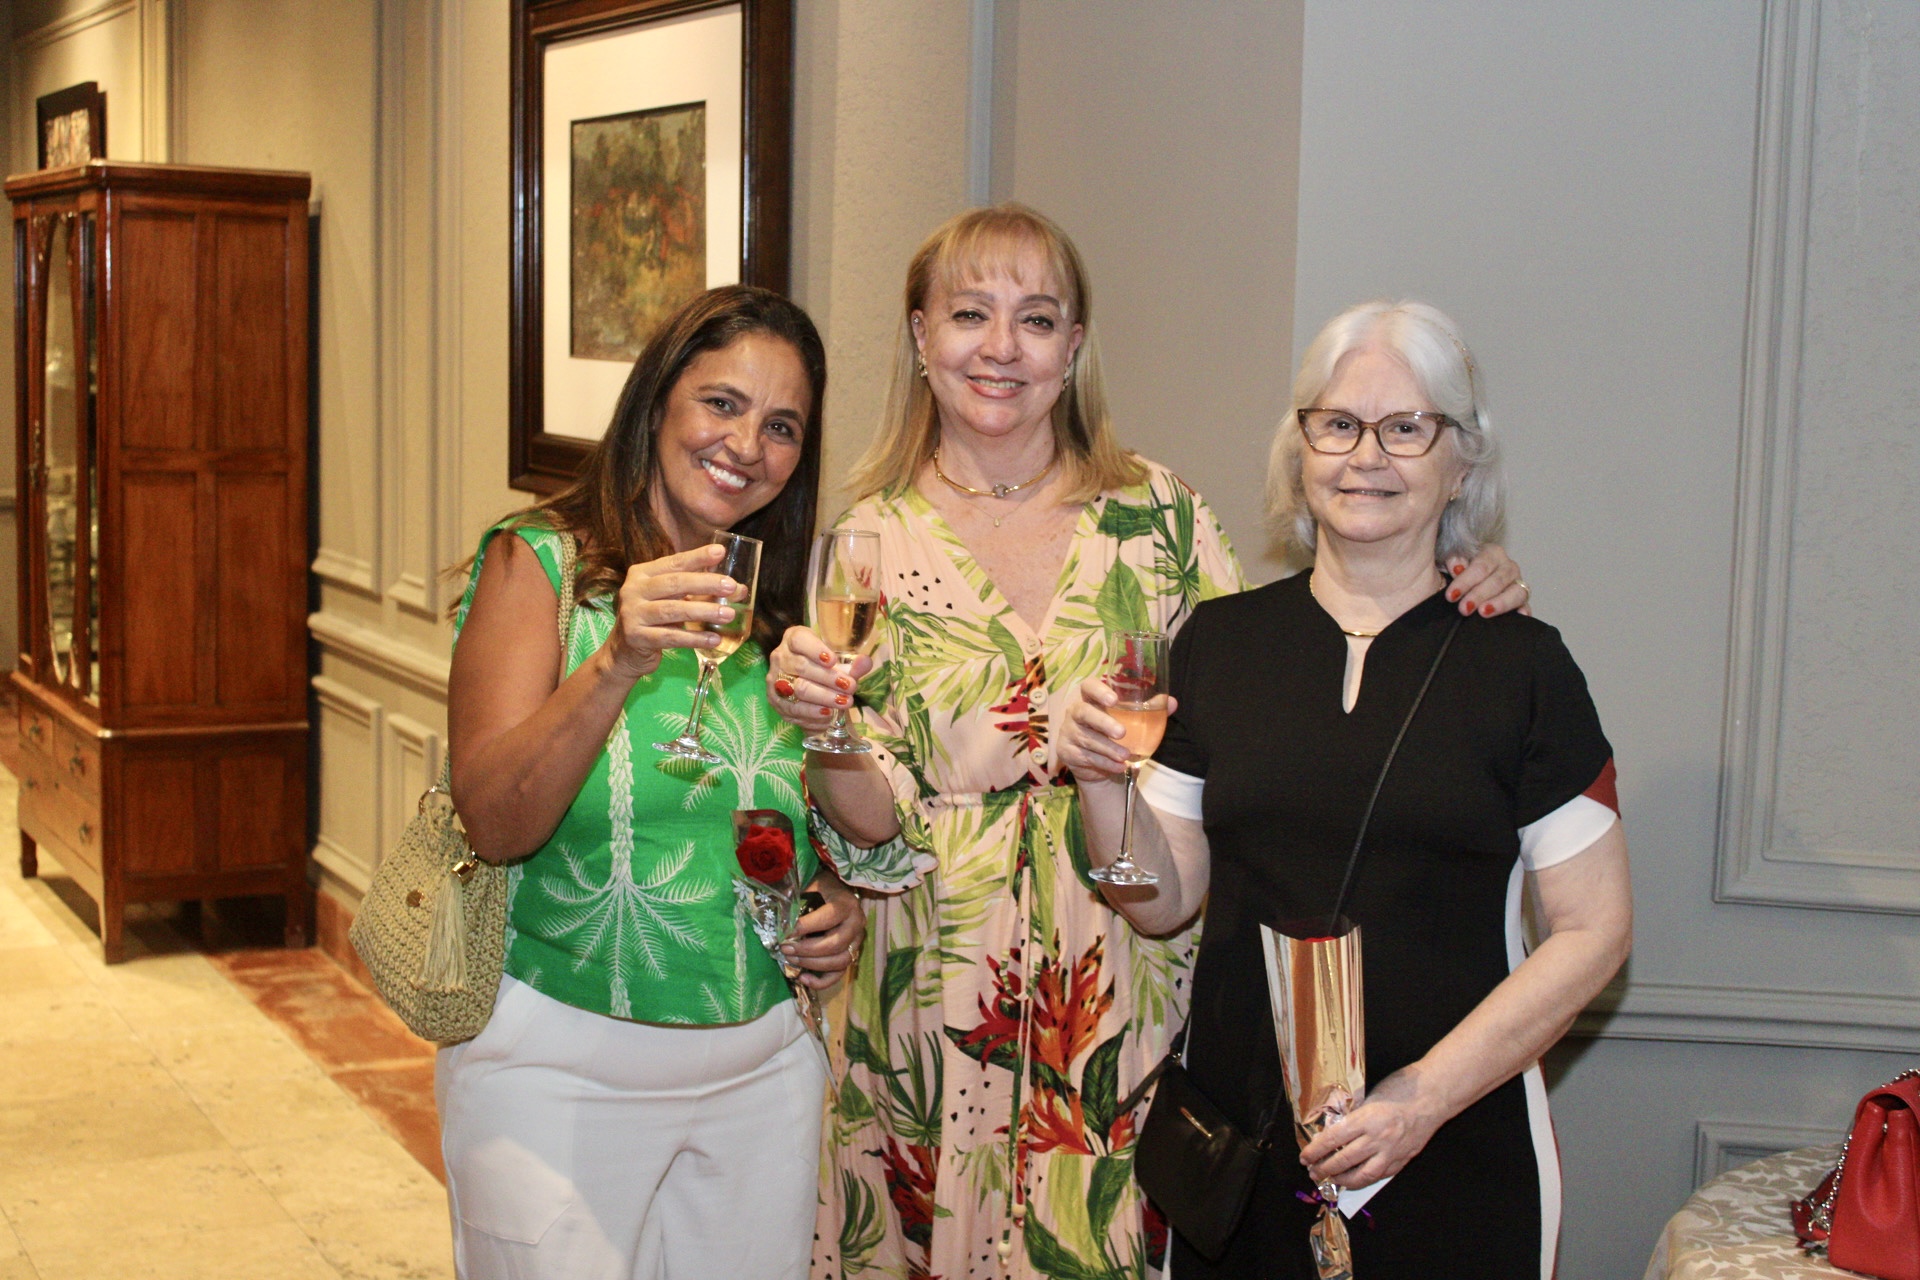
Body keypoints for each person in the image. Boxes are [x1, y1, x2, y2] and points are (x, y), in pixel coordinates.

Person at [766, 209, 1528, 1280]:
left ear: (1074, 345)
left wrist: (1454, 576)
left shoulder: (1160, 518)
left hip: (1126, 996)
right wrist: (831, 734)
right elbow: (871, 826)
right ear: (921, 336)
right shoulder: (864, 539)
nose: (1002, 347)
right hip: (932, 1003)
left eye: (1037, 319)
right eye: (971, 314)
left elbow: (1283, 687)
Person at [1057, 299, 1633, 1278]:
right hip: (1241, 1158)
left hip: (1455, 1150)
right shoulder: (1220, 644)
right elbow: (1159, 899)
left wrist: (1422, 1097)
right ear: (1301, 449)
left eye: (1407, 427)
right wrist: (1100, 782)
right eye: (1338, 424)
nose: (1367, 455)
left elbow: (1595, 930)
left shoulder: (1524, 668)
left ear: (1462, 461)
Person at [438, 285, 865, 1280]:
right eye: (722, 403)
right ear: (658, 399)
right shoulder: (541, 566)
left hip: (762, 1073)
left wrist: (828, 895)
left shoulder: (779, 605)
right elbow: (493, 821)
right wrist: (617, 661)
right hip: (556, 1076)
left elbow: (760, 816)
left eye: (782, 426)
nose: (747, 445)